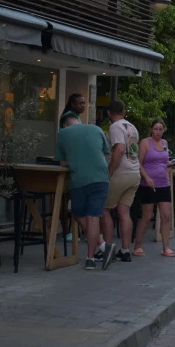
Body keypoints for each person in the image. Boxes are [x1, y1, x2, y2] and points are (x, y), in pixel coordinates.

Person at [54, 112, 115, 271]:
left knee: (79, 214)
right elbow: (107, 154)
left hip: (79, 181)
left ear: (64, 125)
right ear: (79, 121)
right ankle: (98, 251)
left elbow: (62, 163)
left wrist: (75, 160)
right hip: (101, 179)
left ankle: (93, 256)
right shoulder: (96, 129)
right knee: (93, 216)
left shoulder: (62, 134)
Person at [133, 119, 175, 257]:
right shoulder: (145, 143)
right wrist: (147, 178)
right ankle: (137, 245)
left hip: (163, 183)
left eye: (160, 129)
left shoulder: (165, 143)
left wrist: (171, 164)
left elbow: (163, 162)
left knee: (166, 215)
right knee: (147, 216)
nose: (158, 132)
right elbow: (138, 163)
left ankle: (166, 247)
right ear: (151, 130)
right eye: (155, 129)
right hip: (148, 184)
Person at [102, 100, 140, 263]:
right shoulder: (132, 127)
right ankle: (125, 250)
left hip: (120, 173)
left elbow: (119, 148)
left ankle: (108, 249)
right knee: (124, 212)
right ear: (124, 112)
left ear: (109, 113)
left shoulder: (115, 127)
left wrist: (109, 172)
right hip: (134, 172)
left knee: (104, 210)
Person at [59, 93, 87, 242]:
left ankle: (76, 229)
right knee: (65, 198)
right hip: (69, 161)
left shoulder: (75, 117)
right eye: (80, 103)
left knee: (72, 197)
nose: (82, 106)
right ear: (72, 104)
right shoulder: (68, 117)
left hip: (75, 161)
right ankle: (67, 231)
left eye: (84, 103)